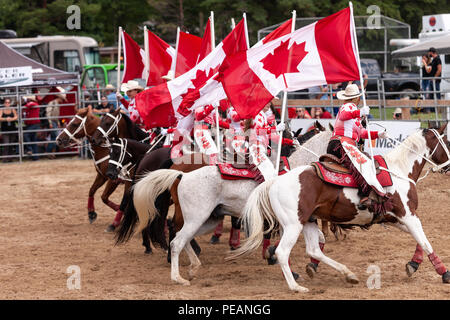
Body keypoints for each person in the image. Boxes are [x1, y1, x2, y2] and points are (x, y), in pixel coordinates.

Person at [327, 84, 388, 216]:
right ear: (357, 98)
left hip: (341, 143)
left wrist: (378, 134)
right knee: (363, 164)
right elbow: (343, 115)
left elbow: (362, 133)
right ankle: (365, 195)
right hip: (342, 143)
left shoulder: (354, 114)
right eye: (359, 97)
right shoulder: (348, 107)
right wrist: (359, 112)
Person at [45, 90, 66, 158]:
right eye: (62, 99)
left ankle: (50, 153)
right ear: (59, 98)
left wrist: (58, 122)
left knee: (54, 138)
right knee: (55, 137)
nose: (62, 101)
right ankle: (49, 152)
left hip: (54, 122)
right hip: (52, 121)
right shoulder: (52, 103)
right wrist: (50, 122)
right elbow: (48, 113)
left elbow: (56, 115)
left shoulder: (56, 104)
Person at [22, 95, 41, 160]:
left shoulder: (33, 103)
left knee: (26, 135)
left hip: (34, 124)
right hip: (30, 124)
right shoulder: (31, 104)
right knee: (33, 139)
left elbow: (26, 107)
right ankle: (35, 157)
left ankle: (30, 149)